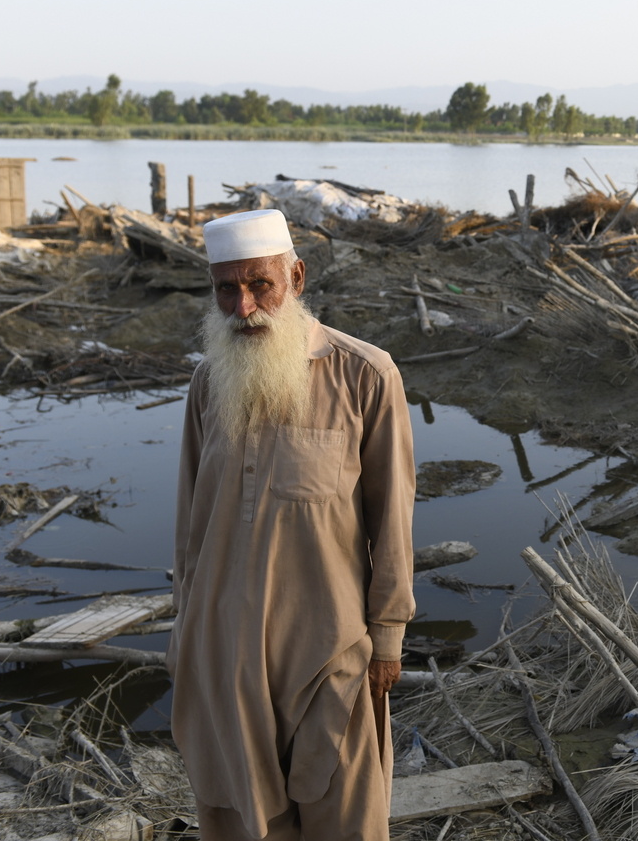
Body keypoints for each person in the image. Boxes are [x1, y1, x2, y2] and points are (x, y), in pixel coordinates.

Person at [168, 208, 415, 841]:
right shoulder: (207, 385)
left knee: (345, 817)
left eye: (259, 285)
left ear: (296, 278)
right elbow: (190, 521)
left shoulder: (366, 375)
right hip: (225, 647)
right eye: (227, 288)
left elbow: (392, 520)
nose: (244, 306)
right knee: (241, 816)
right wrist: (184, 630)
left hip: (329, 649)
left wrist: (387, 636)